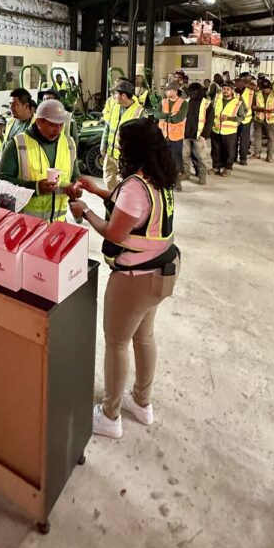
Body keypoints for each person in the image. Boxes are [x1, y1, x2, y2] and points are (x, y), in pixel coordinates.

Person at [69, 119, 179, 439]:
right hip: (161, 273)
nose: (119, 149)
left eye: (122, 144)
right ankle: (142, 402)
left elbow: (115, 231)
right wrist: (97, 191)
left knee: (117, 343)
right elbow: (132, 211)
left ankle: (110, 415)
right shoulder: (159, 178)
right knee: (144, 337)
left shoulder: (133, 187)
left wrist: (85, 211)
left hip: (134, 279)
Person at [0, 99, 80, 223]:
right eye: (53, 125)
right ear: (39, 121)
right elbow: (1, 183)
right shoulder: (18, 145)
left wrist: (76, 188)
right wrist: (35, 187)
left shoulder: (69, 144)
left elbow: (74, 177)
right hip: (27, 225)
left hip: (59, 223)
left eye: (61, 125)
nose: (58, 130)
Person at [101, 80, 145, 192]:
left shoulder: (139, 112)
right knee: (109, 179)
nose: (114, 96)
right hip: (111, 154)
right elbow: (108, 127)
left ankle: (121, 200)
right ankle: (113, 199)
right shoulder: (115, 107)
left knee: (125, 183)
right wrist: (103, 145)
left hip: (125, 156)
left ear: (123, 96)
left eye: (116, 93)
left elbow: (142, 139)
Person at [155, 81, 188, 190]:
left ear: (175, 91)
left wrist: (165, 117)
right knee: (162, 159)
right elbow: (156, 114)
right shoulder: (163, 101)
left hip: (176, 137)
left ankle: (176, 181)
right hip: (163, 136)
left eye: (168, 90)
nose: (166, 92)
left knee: (175, 160)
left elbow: (178, 118)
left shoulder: (183, 103)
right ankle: (163, 180)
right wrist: (169, 115)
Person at [210, 83, 246, 176]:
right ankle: (216, 167)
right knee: (215, 150)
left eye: (228, 89)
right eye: (224, 89)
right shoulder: (217, 100)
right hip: (216, 129)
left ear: (232, 91)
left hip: (229, 131)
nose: (225, 91)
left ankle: (228, 168)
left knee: (229, 151)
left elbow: (242, 117)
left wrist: (229, 118)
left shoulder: (237, 102)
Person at [182, 82, 212, 185]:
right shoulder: (186, 102)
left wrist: (204, 134)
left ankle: (202, 176)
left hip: (199, 134)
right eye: (192, 91)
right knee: (185, 155)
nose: (193, 93)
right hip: (185, 134)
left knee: (201, 157)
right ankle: (186, 173)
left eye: (195, 91)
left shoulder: (207, 103)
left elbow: (210, 120)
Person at [0, 88, 36, 154]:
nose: (10, 107)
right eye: (10, 103)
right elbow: (5, 145)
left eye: (14, 104)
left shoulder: (37, 124)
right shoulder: (10, 122)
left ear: (26, 106)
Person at [252, 78, 274, 162]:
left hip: (270, 119)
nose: (265, 90)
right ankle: (257, 153)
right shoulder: (257, 94)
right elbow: (252, 105)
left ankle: (269, 156)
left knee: (271, 138)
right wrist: (259, 109)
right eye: (263, 88)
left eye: (267, 88)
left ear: (270, 87)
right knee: (257, 137)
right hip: (258, 118)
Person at [235, 75, 255, 167]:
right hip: (234, 120)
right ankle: (233, 157)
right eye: (236, 82)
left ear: (243, 83)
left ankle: (243, 158)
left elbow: (253, 105)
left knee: (244, 140)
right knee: (233, 140)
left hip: (246, 119)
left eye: (239, 82)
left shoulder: (251, 92)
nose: (237, 83)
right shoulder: (232, 91)